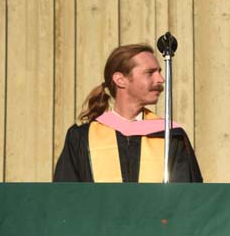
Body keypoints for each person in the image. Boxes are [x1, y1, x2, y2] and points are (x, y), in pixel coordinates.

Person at [53, 43, 202, 183]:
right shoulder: (82, 138)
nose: (161, 79)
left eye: (159, 72)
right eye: (150, 73)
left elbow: (188, 198)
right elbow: (66, 198)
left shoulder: (170, 136)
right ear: (120, 80)